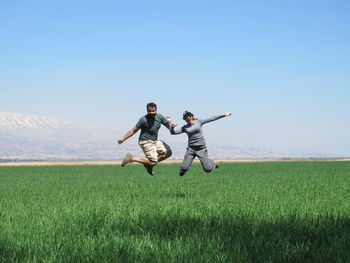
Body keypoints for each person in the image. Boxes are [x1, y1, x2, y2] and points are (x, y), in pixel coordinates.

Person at [117, 102, 172, 175]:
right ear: (147, 110)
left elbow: (168, 126)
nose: (151, 112)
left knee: (168, 152)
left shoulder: (160, 116)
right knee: (153, 162)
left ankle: (148, 164)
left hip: (155, 141)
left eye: (153, 111)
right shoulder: (143, 120)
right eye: (149, 111)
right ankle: (131, 159)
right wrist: (123, 139)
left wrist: (170, 123)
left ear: (156, 110)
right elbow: (133, 130)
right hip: (145, 141)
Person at [170, 111, 232, 176]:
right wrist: (172, 127)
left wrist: (224, 115)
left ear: (191, 117)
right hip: (191, 149)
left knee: (207, 169)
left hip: (201, 149)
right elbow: (173, 132)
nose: (187, 118)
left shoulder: (199, 122)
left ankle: (212, 163)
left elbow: (212, 118)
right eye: (185, 118)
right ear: (184, 120)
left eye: (188, 116)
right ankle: (183, 171)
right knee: (184, 168)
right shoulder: (184, 127)